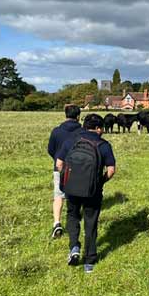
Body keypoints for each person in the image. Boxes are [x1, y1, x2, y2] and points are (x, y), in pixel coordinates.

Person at [56, 114, 116, 273]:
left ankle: (74, 247)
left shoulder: (71, 140)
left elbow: (59, 163)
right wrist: (100, 182)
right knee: (91, 222)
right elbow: (111, 170)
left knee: (72, 216)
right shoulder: (104, 145)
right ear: (98, 128)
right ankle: (89, 261)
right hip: (93, 191)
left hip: (71, 189)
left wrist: (66, 179)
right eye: (102, 128)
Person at [47, 104, 82, 238]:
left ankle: (57, 223)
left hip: (59, 167)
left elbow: (50, 149)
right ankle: (75, 217)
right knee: (77, 194)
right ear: (78, 116)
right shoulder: (82, 131)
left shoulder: (56, 131)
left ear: (65, 115)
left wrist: (58, 158)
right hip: (79, 167)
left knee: (58, 195)